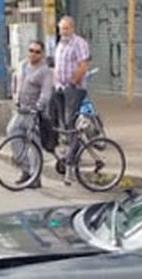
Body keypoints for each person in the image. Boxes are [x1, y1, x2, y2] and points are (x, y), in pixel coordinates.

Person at [9, 41, 56, 182]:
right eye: (31, 50)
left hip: (34, 113)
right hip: (20, 109)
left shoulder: (45, 71)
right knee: (12, 133)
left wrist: (38, 107)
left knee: (34, 145)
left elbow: (46, 93)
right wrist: (14, 96)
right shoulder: (22, 66)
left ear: (42, 54)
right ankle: (26, 169)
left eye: (37, 52)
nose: (33, 54)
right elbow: (15, 82)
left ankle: (35, 177)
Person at [50, 15, 91, 134]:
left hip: (74, 87)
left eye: (66, 28)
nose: (63, 32)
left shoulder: (79, 43)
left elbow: (83, 66)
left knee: (71, 118)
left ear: (72, 29)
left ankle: (75, 146)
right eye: (61, 29)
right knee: (61, 118)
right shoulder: (60, 45)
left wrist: (73, 82)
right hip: (60, 87)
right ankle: (67, 140)